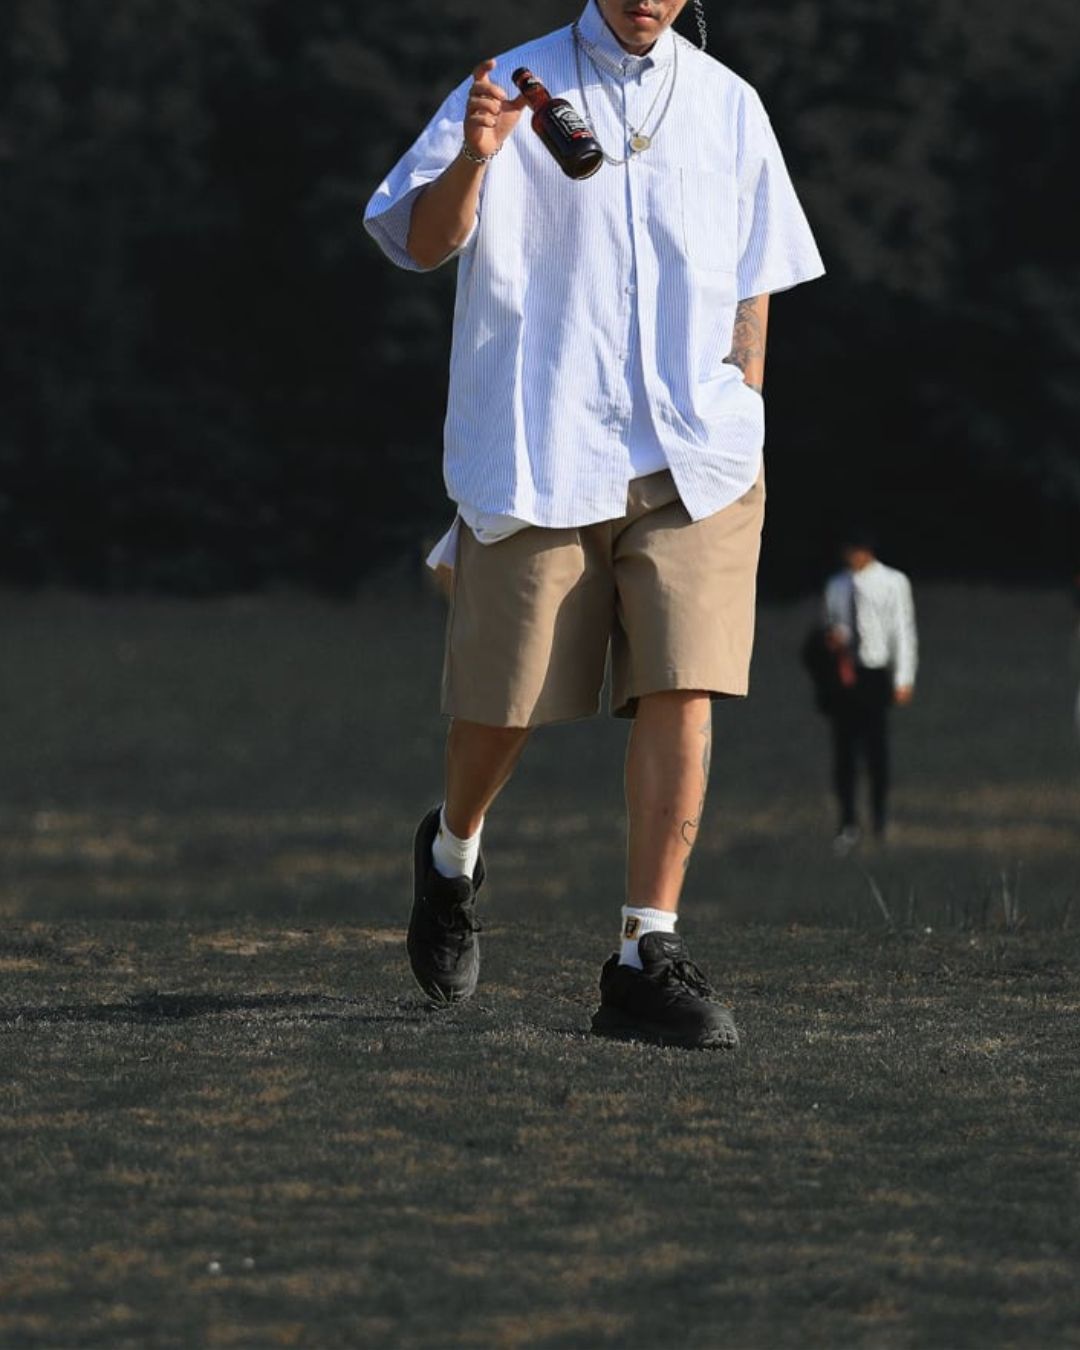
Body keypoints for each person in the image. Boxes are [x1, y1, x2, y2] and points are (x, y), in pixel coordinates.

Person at [363, 0, 823, 1049]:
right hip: (543, 439)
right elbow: (423, 244)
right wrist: (478, 158)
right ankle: (451, 855)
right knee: (504, 705)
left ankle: (643, 953)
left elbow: (757, 274)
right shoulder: (511, 82)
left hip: (696, 451)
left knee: (684, 679)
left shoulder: (729, 106)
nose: (644, 2)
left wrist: (743, 398)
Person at [822, 530, 918, 854]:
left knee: (876, 751)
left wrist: (903, 677)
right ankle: (847, 821)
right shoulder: (837, 585)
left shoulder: (893, 582)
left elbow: (903, 630)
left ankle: (879, 817)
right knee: (844, 753)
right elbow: (832, 623)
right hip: (846, 674)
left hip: (875, 672)